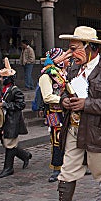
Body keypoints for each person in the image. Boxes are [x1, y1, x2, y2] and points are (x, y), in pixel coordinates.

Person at [44, 26, 101, 201]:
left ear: (90, 47)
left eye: (74, 49)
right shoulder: (74, 68)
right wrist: (64, 101)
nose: (70, 54)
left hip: (98, 130)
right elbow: (66, 92)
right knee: (67, 171)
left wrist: (87, 104)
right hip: (73, 129)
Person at [0, 58, 31, 178]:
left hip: (12, 120)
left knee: (10, 144)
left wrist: (6, 105)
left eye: (2, 78)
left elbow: (21, 105)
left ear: (7, 79)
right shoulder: (4, 90)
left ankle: (8, 168)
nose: (0, 79)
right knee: (7, 142)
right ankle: (25, 155)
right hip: (5, 120)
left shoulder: (16, 91)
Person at [39, 48, 69, 182]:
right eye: (63, 57)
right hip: (53, 112)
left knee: (70, 137)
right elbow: (47, 97)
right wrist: (62, 100)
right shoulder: (46, 76)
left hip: (66, 110)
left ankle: (72, 165)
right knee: (57, 139)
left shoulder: (62, 73)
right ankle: (56, 168)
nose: (66, 59)